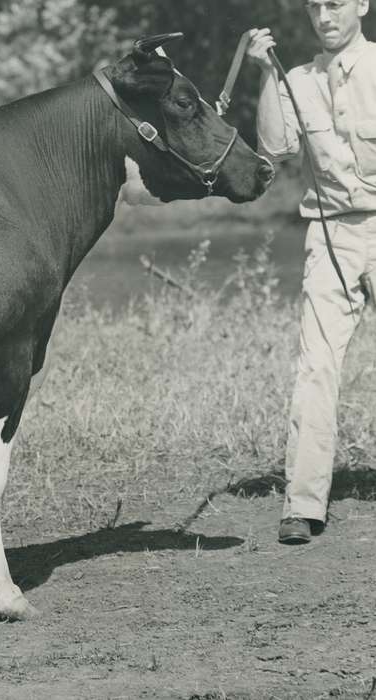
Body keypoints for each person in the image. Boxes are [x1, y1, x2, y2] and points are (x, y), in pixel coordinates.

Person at [248, 0, 376, 545]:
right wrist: (264, 73)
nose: (324, 17)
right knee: (315, 367)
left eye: (336, 4)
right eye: (314, 6)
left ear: (363, 5)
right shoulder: (295, 78)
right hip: (329, 235)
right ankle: (302, 505)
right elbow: (272, 151)